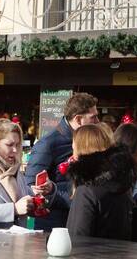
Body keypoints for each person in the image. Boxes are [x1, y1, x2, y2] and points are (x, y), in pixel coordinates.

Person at [23, 92, 100, 228]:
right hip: (55, 224)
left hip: (82, 218)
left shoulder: (88, 140)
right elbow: (32, 186)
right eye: (93, 117)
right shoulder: (48, 144)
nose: (97, 121)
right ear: (78, 119)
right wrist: (56, 192)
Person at [66, 123, 137, 242]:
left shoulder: (87, 191)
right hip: (121, 258)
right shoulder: (123, 184)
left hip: (90, 258)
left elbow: (77, 239)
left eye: (74, 149)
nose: (72, 155)